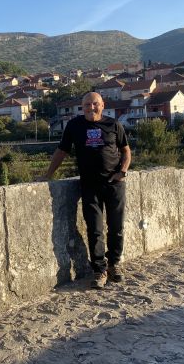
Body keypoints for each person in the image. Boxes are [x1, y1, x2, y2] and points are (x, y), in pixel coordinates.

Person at [38, 92, 131, 289]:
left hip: (114, 184)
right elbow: (61, 151)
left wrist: (122, 171)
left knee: (116, 227)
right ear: (82, 107)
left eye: (95, 104)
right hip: (90, 185)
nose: (91, 108)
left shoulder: (114, 125)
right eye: (87, 105)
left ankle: (114, 264)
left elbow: (126, 150)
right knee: (95, 229)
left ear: (102, 105)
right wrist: (48, 175)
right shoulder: (74, 126)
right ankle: (99, 270)